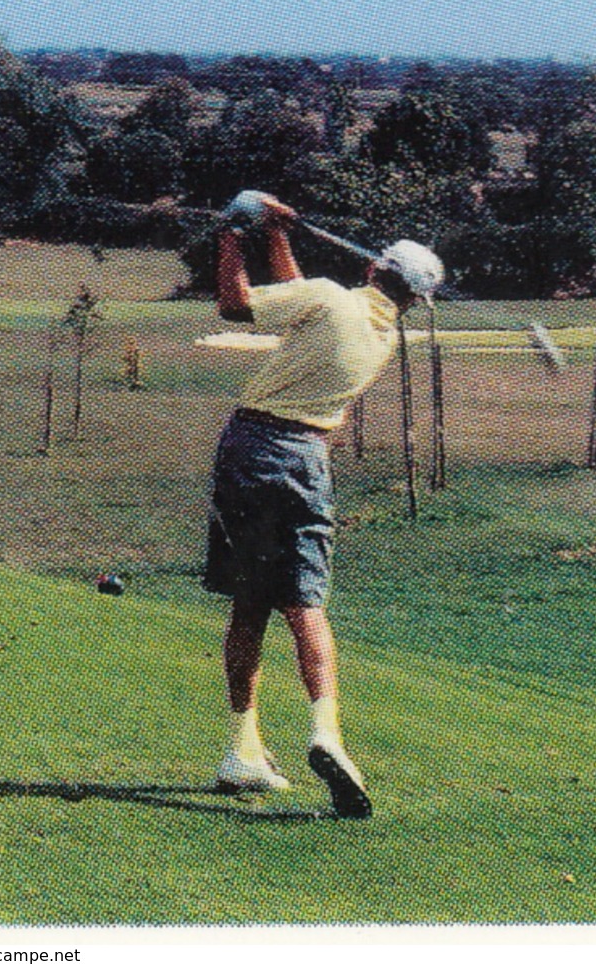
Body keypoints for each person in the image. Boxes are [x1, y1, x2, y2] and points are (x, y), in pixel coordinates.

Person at [204, 192, 444, 818]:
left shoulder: (331, 300)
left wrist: (233, 232)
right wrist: (278, 235)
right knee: (306, 603)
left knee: (250, 603)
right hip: (310, 459)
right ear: (413, 299)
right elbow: (301, 297)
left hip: (253, 447)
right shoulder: (380, 335)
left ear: (373, 268)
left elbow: (239, 305)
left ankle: (242, 745)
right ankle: (325, 732)